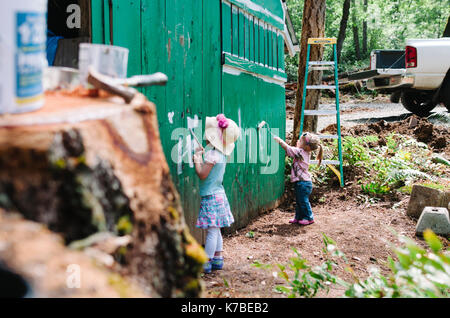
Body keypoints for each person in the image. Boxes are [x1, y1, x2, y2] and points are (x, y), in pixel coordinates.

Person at [193, 114, 240, 273]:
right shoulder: (220, 154)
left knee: (212, 231)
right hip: (219, 195)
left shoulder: (212, 155)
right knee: (216, 229)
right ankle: (218, 259)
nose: (205, 135)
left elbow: (202, 174)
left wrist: (197, 160)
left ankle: (206, 262)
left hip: (211, 196)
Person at [274, 132, 323, 226]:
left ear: (307, 146)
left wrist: (280, 141)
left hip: (303, 183)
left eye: (300, 141)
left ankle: (309, 218)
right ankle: (299, 217)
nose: (298, 141)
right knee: (299, 201)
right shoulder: (304, 152)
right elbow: (295, 150)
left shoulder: (300, 152)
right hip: (302, 183)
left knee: (303, 201)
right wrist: (299, 145)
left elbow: (288, 148)